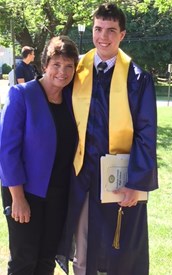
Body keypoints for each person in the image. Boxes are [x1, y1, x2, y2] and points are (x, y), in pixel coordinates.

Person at [57, 3, 158, 275]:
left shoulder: (137, 79)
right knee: (83, 246)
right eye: (98, 29)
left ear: (122, 35)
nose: (104, 36)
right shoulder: (77, 72)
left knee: (120, 249)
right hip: (82, 176)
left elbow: (146, 135)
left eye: (111, 30)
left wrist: (137, 183)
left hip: (120, 177)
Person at [0, 35, 79, 275]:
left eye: (68, 66)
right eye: (56, 64)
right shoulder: (22, 94)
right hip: (26, 193)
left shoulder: (72, 100)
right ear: (44, 64)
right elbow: (7, 151)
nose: (62, 72)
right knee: (24, 261)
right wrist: (18, 198)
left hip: (58, 194)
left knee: (46, 260)